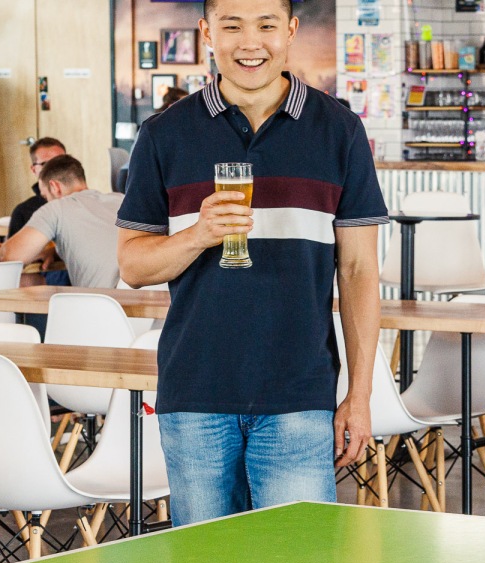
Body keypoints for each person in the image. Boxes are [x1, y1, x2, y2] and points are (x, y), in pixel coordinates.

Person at [117, 0, 387, 526]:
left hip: (300, 394)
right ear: (206, 33)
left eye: (266, 25)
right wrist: (199, 233)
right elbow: (133, 265)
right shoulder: (163, 135)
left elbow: (358, 273)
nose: (250, 43)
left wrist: (358, 395)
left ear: (289, 32)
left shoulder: (340, 131)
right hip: (194, 393)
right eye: (231, 25)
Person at [0, 155, 124, 290]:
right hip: (144, 301)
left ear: (54, 187)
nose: (46, 200)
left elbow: (9, 256)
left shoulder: (57, 208)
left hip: (105, 306)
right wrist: (55, 251)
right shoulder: (121, 199)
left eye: (45, 196)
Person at [8, 137, 67, 236]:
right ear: (34, 169)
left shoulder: (84, 202)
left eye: (61, 162)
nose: (55, 168)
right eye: (46, 164)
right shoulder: (24, 211)